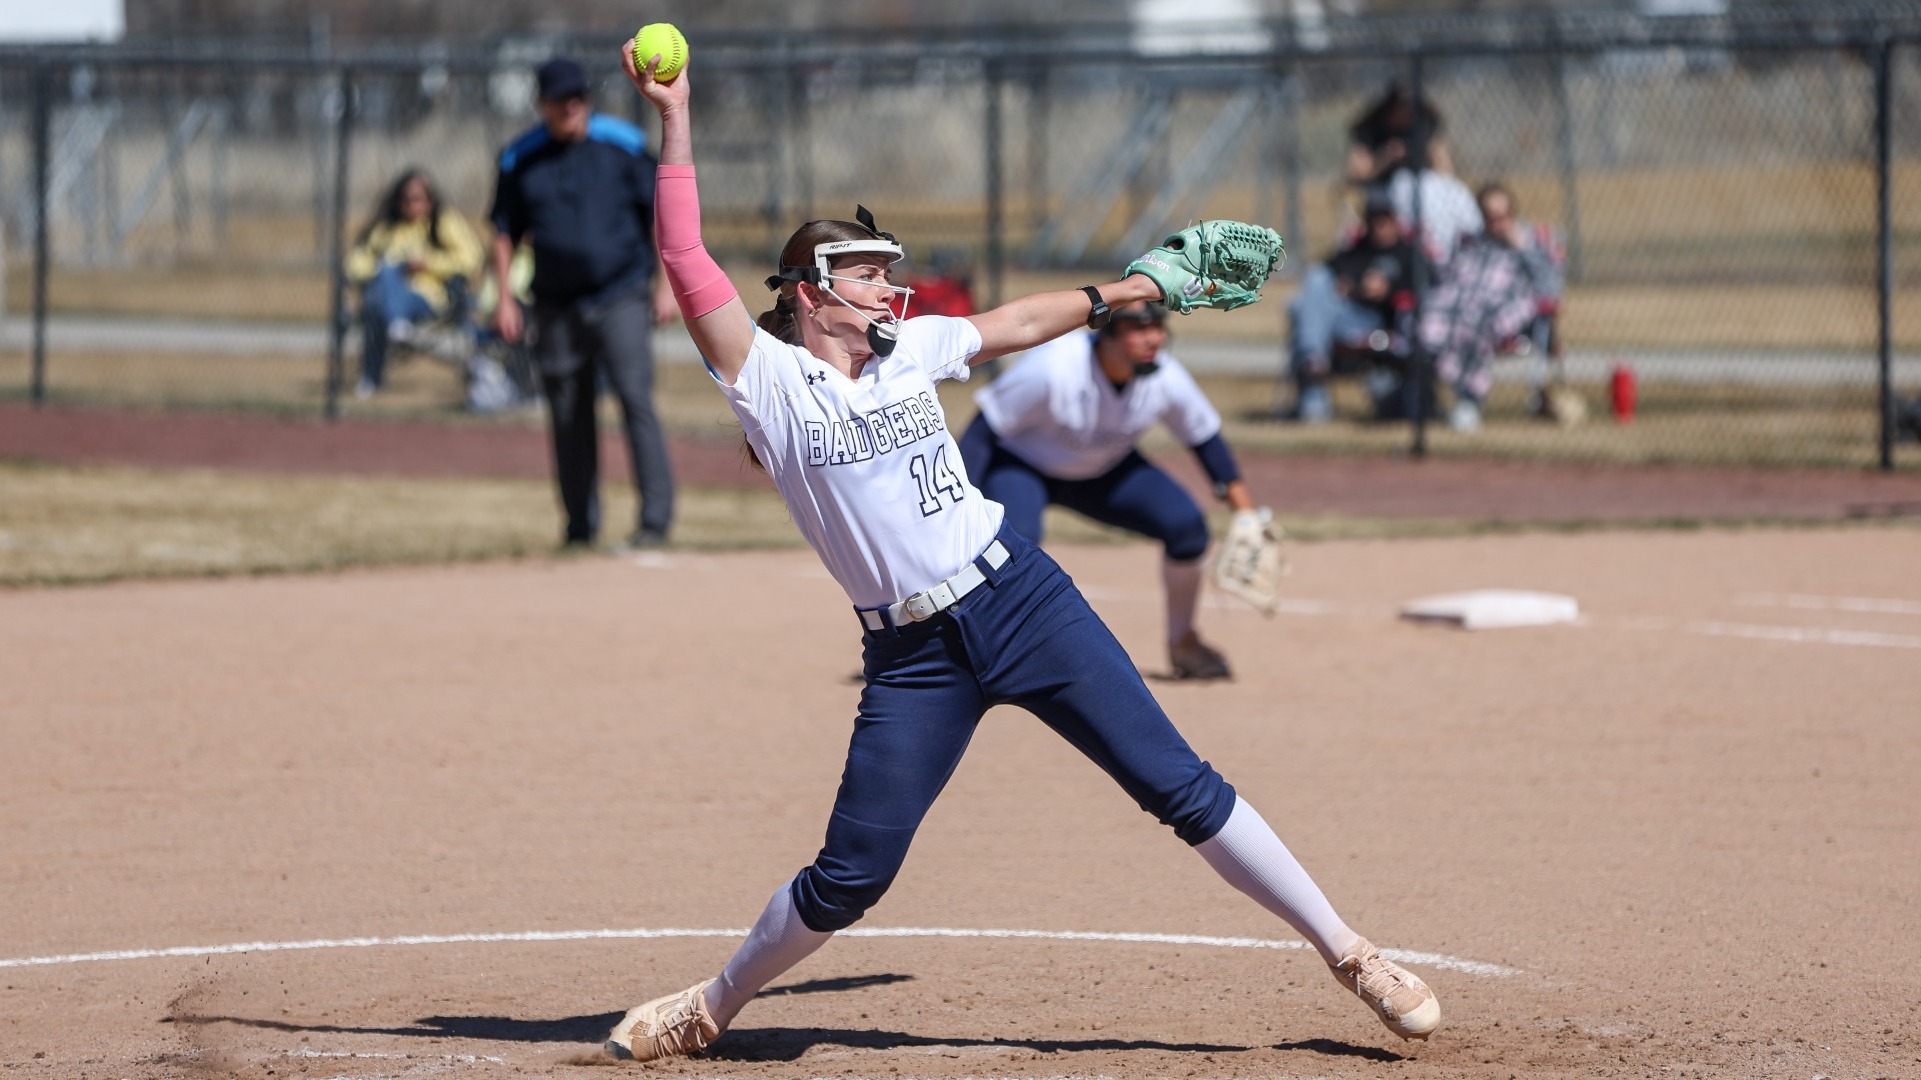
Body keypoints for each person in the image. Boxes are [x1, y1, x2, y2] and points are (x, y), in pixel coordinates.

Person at [598, 41, 1443, 1065]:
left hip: (1020, 599)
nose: (889, 290)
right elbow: (684, 257)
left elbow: (1012, 323)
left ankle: (1354, 956)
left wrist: (1133, 286)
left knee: (1177, 784)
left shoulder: (910, 350)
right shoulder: (767, 382)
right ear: (811, 291)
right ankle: (713, 1006)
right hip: (911, 658)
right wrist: (675, 117)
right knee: (850, 876)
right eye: (867, 274)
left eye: (889, 275)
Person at [959, 301, 1256, 681]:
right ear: (1107, 336)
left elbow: (1208, 444)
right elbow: (983, 433)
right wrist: (960, 507)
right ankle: (978, 650)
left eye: (1157, 327)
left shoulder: (1164, 375)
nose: (1153, 338)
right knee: (1016, 548)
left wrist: (1246, 514)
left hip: (1104, 471)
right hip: (1022, 466)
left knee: (1187, 527)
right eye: (1137, 328)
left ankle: (1184, 642)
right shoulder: (1054, 367)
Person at [488, 56, 677, 550]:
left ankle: (654, 521)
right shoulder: (520, 158)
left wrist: (664, 285)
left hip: (622, 294)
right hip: (554, 304)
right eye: (560, 99)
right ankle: (579, 526)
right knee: (568, 412)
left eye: (578, 97)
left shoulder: (624, 145)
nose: (571, 107)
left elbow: (659, 216)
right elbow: (504, 231)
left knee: (635, 399)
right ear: (542, 104)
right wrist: (504, 298)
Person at [1418, 182, 1567, 433]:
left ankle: (1469, 400)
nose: (1498, 223)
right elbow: (1451, 275)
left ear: (1513, 213)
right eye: (1491, 217)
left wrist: (1524, 249)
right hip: (1460, 301)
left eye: (1503, 216)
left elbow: (1550, 287)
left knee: (1474, 321)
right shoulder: (1471, 242)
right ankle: (1421, 399)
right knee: (1425, 320)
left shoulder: (1530, 240)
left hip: (1508, 307)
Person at [1284, 197, 1433, 423]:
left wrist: (1389, 290)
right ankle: (1313, 360)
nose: (1380, 227)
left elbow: (1424, 287)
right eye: (1375, 221)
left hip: (1389, 324)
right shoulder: (1358, 248)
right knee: (1312, 285)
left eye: (1385, 221)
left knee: (1299, 310)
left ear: (1395, 221)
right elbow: (1332, 272)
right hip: (1351, 320)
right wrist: (1357, 288)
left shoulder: (1408, 251)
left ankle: (1312, 388)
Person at [343, 168, 486, 398]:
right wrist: (383, 267)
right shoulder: (387, 229)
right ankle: (391, 334)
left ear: (430, 200)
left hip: (427, 297)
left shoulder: (441, 222)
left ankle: (374, 367)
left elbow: (472, 257)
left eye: (418, 199)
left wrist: (428, 262)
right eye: (405, 199)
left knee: (375, 303)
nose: (411, 204)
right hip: (383, 295)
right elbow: (355, 262)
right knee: (382, 281)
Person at [1344, 83, 1482, 267]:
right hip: (1383, 191)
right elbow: (1357, 175)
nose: (1405, 114)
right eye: (1400, 108)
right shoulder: (1372, 129)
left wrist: (1428, 155)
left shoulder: (1426, 125)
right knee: (1403, 183)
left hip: (1424, 193)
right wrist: (1386, 157)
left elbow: (1445, 170)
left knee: (1453, 192)